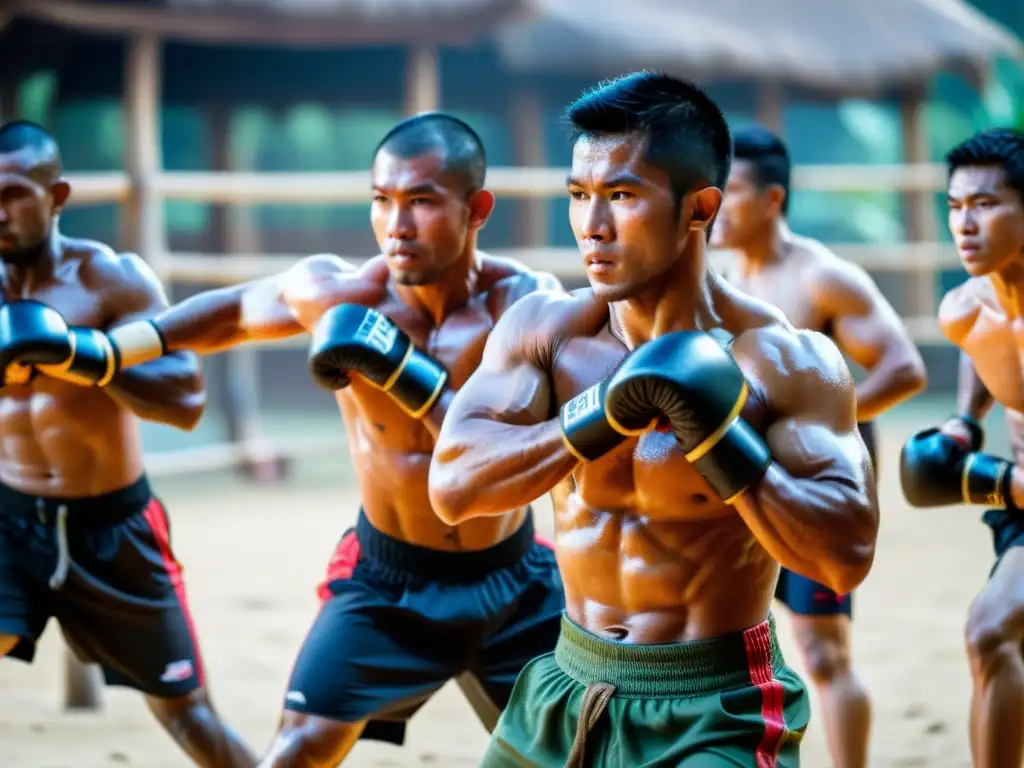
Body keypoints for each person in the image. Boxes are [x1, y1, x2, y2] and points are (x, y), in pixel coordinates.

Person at [429, 72, 880, 767]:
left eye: (622, 195)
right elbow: (455, 488)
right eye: (579, 196)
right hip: (565, 682)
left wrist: (720, 437)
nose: (592, 225)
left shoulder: (785, 361)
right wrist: (602, 414)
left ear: (700, 208)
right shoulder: (546, 331)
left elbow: (842, 559)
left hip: (713, 704)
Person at [96, 112, 566, 767]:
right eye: (382, 200)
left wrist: (408, 377)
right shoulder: (343, 295)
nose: (396, 225)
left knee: (578, 753)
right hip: (387, 583)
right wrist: (105, 349)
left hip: (511, 581)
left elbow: (490, 453)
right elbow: (233, 311)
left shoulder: (522, 310)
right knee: (297, 751)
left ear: (476, 208)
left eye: (422, 202)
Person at [0, 120, 256, 766]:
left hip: (113, 532)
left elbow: (187, 398)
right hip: (9, 519)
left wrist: (82, 357)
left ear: (56, 196)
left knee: (189, 717)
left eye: (13, 194)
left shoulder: (111, 281)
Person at [711, 124, 927, 768]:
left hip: (814, 481)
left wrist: (817, 418)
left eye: (737, 189)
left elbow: (904, 368)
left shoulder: (824, 277)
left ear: (773, 198)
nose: (719, 204)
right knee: (725, 641)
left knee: (824, 650)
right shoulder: (721, 282)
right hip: (744, 478)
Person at [900, 127, 1024, 768]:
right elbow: (984, 356)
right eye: (954, 206)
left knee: (991, 631)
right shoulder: (965, 310)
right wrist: (962, 424)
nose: (964, 223)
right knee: (995, 640)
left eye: (985, 203)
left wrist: (994, 479)